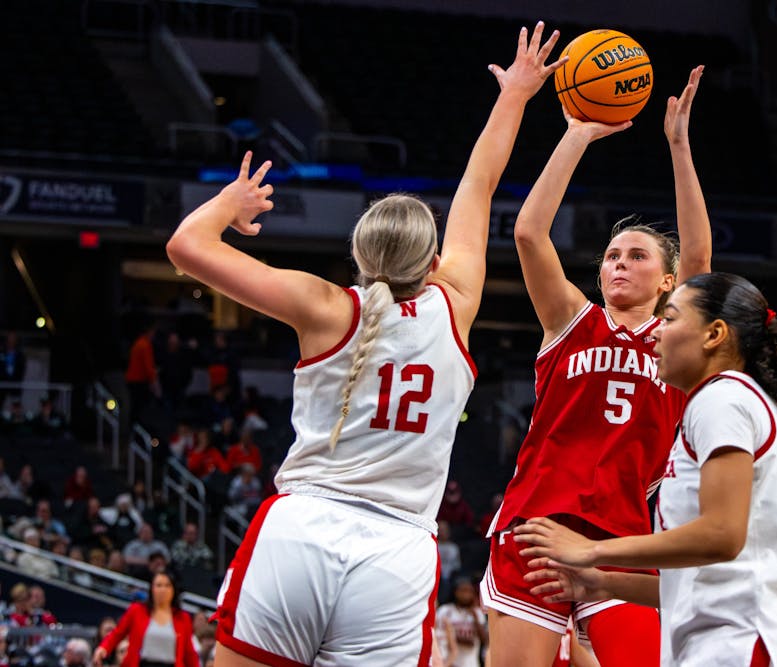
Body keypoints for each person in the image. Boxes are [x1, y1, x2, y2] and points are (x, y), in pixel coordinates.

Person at [166, 22, 566, 667]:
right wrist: (516, 94)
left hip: (301, 530)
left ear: (356, 253)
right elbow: (479, 185)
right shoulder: (455, 303)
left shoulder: (324, 306)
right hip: (397, 553)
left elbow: (185, 247)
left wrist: (230, 203)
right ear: (433, 260)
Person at [483, 67, 713, 667]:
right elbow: (530, 233)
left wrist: (679, 147)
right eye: (611, 255)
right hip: (537, 525)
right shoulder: (569, 320)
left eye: (636, 256)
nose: (618, 264)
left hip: (625, 539)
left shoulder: (675, 338)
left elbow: (700, 257)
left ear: (666, 282)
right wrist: (577, 135)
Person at [514, 272, 777, 666]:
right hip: (745, 636)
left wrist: (590, 549)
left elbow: (722, 535)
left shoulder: (723, 400)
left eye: (670, 319)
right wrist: (602, 582)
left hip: (739, 642)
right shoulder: (743, 401)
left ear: (714, 334)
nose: (655, 334)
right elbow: (705, 575)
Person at [92, 571, 199, 667]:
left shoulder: (183, 617)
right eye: (159, 585)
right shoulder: (136, 610)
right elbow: (118, 633)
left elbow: (189, 652)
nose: (163, 589)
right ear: (152, 589)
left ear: (174, 590)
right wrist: (104, 647)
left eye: (167, 586)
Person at [435, 578, 488, 667]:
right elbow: (437, 637)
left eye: (469, 591)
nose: (466, 594)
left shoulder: (478, 612)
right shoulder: (445, 610)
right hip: (448, 662)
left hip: (471, 663)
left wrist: (475, 619)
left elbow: (484, 640)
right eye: (463, 590)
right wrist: (458, 640)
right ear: (455, 592)